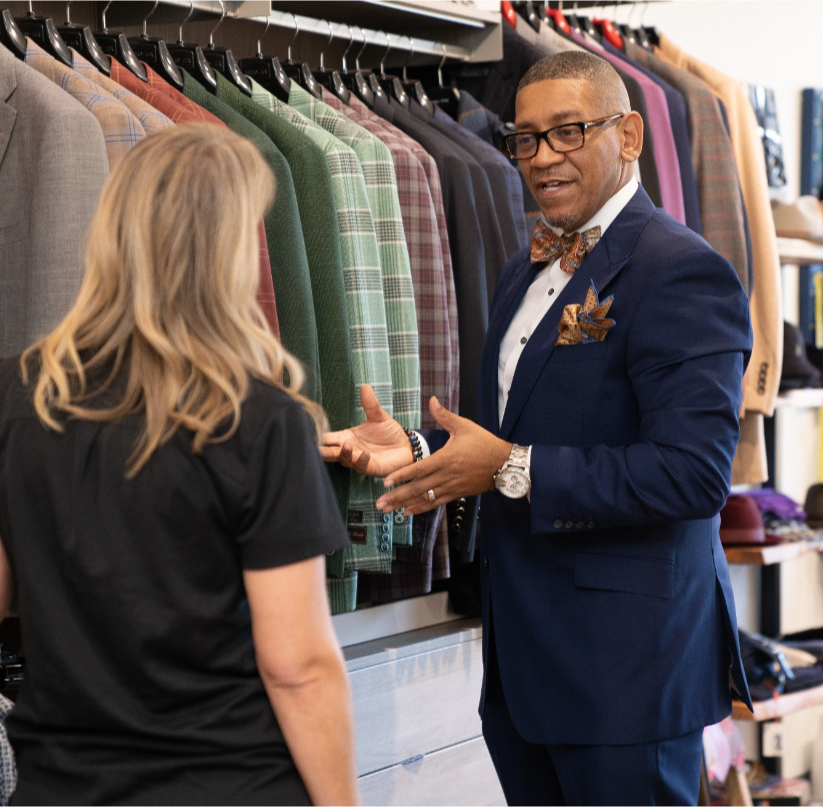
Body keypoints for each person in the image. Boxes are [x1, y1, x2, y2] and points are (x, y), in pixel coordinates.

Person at [321, 51, 753, 806]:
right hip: (527, 667)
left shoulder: (681, 271)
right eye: (526, 139)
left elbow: (694, 475)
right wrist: (423, 453)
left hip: (628, 675)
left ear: (628, 135)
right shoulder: (524, 272)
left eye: (567, 132)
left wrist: (508, 466)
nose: (542, 156)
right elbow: (510, 430)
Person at [0, 123, 359, 807]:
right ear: (231, 250)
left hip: (65, 787)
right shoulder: (263, 420)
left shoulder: (12, 392)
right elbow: (298, 664)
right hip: (229, 786)